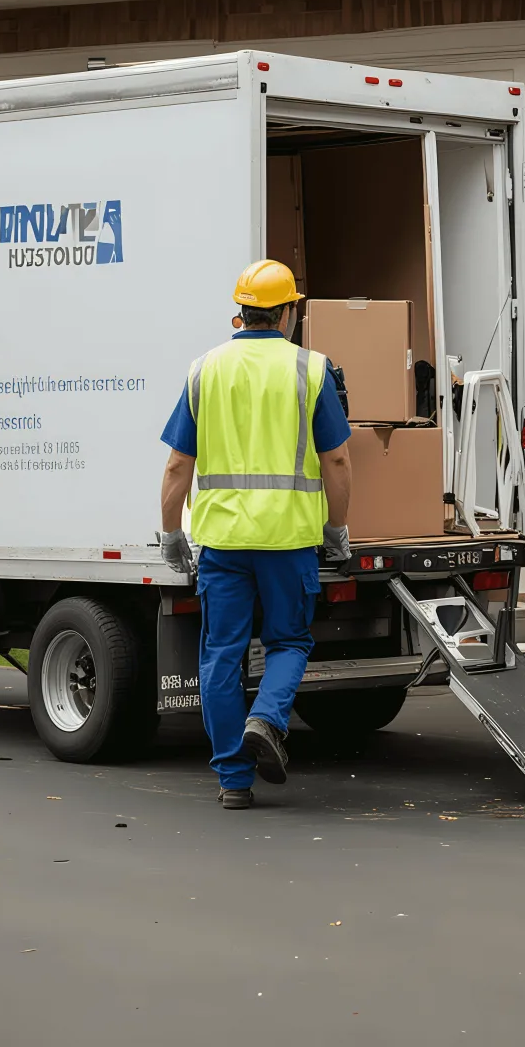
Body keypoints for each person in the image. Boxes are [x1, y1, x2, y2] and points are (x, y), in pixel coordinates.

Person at [159, 260, 353, 810]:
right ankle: (267, 720)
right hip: (288, 541)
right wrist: (337, 528)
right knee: (289, 641)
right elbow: (336, 460)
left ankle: (233, 781)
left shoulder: (205, 370)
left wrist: (172, 532)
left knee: (222, 655)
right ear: (289, 312)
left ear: (239, 313)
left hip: (222, 542)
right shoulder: (311, 370)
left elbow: (178, 466)